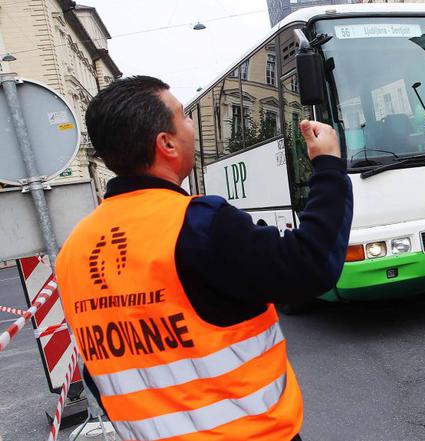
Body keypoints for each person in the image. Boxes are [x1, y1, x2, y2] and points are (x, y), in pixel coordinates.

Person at [55, 76, 353, 441]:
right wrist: (328, 167)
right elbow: (310, 264)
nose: (191, 124)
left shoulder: (73, 251)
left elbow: (100, 372)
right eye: (184, 115)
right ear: (166, 143)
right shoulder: (198, 225)